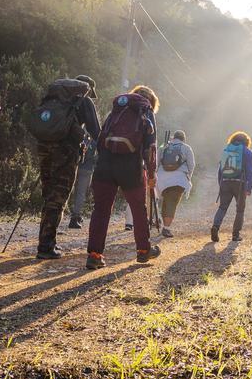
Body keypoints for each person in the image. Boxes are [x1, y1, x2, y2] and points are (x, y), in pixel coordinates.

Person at [86, 84, 161, 268]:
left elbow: (102, 138)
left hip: (105, 164)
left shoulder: (117, 110)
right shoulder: (146, 110)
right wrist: (151, 174)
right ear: (151, 101)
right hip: (130, 166)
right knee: (138, 209)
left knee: (101, 209)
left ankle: (94, 255)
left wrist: (101, 161)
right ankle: (143, 251)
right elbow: (150, 148)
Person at [33, 74, 100, 259]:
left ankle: (44, 241)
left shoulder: (54, 98)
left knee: (48, 194)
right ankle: (46, 246)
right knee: (58, 196)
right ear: (87, 88)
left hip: (44, 146)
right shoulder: (84, 101)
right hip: (66, 152)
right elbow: (96, 131)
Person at [211, 131, 252, 243]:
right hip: (240, 184)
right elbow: (250, 171)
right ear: (246, 141)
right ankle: (235, 235)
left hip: (225, 181)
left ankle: (215, 227)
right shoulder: (247, 151)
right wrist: (249, 188)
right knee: (240, 210)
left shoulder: (226, 149)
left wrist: (220, 183)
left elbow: (220, 169)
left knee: (222, 207)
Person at [156, 130, 196, 237]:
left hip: (162, 178)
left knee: (166, 201)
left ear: (173, 138)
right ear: (183, 139)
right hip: (178, 179)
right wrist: (188, 178)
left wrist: (155, 176)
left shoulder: (163, 146)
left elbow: (156, 161)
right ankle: (166, 228)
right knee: (172, 203)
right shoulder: (186, 147)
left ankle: (161, 223)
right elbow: (191, 165)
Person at [68, 132, 97, 229]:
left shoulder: (79, 135)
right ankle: (75, 217)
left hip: (74, 165)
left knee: (70, 190)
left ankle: (67, 212)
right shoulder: (95, 139)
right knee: (81, 193)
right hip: (87, 169)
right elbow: (97, 157)